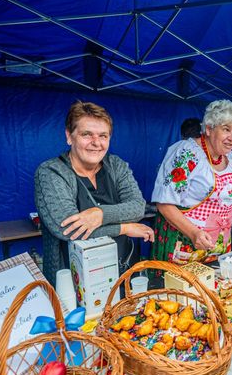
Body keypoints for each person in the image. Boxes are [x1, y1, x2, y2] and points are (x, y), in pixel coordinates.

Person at [35, 101, 154, 285]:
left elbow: (138, 207)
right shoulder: (51, 172)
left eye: (103, 136)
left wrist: (100, 214)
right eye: (86, 134)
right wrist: (124, 228)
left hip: (122, 270)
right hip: (73, 280)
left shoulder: (116, 165)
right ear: (69, 136)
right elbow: (68, 229)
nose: (96, 143)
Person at [151, 99, 232, 264]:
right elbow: (164, 203)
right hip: (184, 245)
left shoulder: (230, 156)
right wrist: (194, 233)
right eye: (226, 129)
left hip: (218, 248)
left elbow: (229, 198)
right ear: (209, 129)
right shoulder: (186, 153)